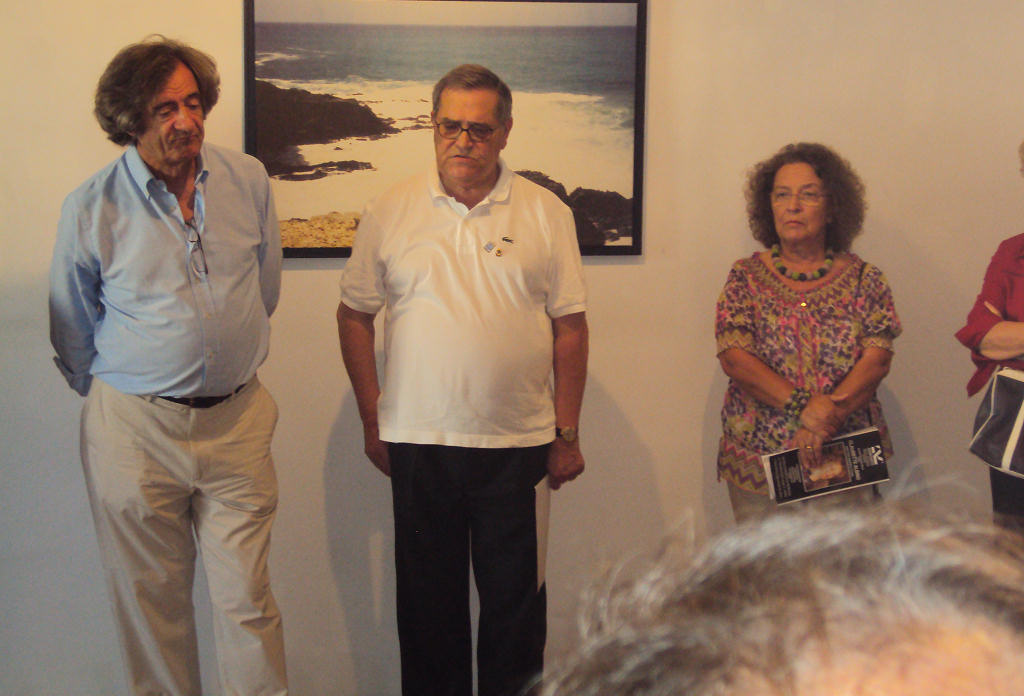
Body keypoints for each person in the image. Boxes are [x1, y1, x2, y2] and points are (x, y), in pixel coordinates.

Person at [337, 64, 588, 696]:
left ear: (506, 131)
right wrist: (372, 417)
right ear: (432, 125)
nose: (463, 141)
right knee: (428, 619)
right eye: (450, 126)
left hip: (518, 447)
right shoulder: (390, 209)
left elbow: (570, 329)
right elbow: (354, 315)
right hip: (419, 443)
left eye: (479, 129)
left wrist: (566, 433)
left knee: (516, 620)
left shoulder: (546, 212)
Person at [49, 37, 287, 696]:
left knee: (248, 603)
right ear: (130, 121)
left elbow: (263, 290)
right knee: (153, 610)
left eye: (193, 103)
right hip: (136, 434)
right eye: (165, 109)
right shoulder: (91, 207)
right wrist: (141, 386)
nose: (186, 121)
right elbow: (72, 327)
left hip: (237, 426)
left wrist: (222, 353)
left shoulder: (248, 180)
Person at [538, 506, 1024, 696]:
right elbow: (736, 355)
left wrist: (828, 410)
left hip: (848, 432)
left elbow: (878, 344)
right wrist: (802, 410)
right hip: (764, 438)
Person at [715, 142, 901, 521]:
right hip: (760, 462)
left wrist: (825, 419)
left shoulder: (866, 279)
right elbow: (735, 359)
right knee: (767, 561)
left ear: (832, 208)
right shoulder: (744, 278)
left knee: (845, 559)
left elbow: (877, 361)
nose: (793, 206)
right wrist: (804, 407)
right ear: (768, 206)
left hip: (845, 456)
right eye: (782, 195)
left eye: (809, 195)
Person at [955, 139, 1024, 529]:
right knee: (1014, 554)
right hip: (1018, 440)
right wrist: (1000, 337)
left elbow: (1001, 337)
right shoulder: (1013, 253)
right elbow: (982, 334)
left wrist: (1014, 336)